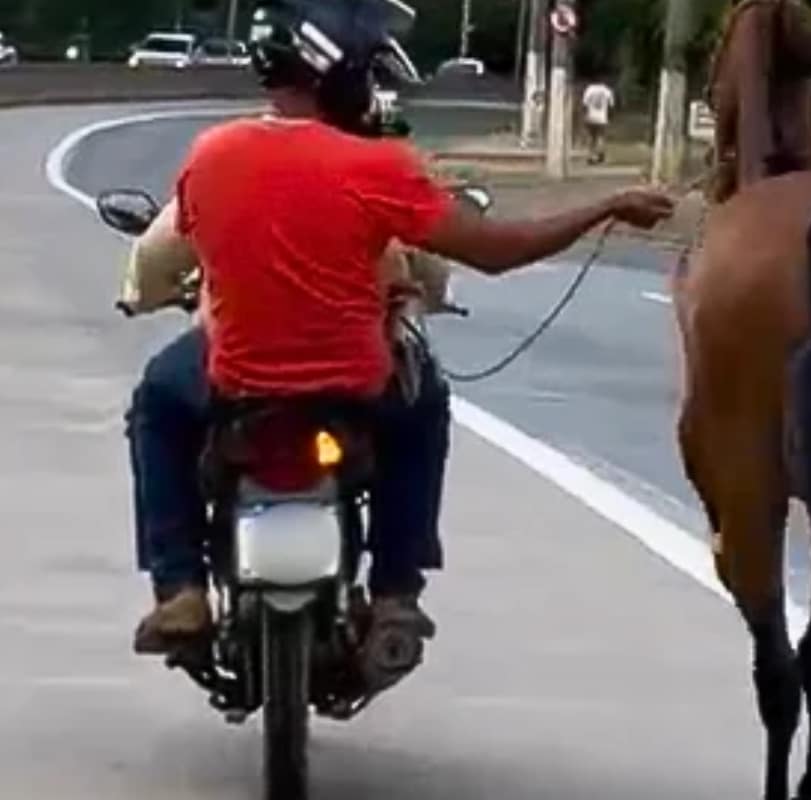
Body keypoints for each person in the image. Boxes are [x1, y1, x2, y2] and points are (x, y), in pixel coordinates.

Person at [124, 0, 674, 656]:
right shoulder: (380, 168)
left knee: (157, 403)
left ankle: (181, 587)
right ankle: (394, 592)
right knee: (427, 404)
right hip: (357, 386)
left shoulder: (213, 154)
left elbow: (176, 250)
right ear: (343, 74)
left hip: (234, 381)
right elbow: (496, 250)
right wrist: (605, 204)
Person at [581, 80, 616, 165]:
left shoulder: (589, 89)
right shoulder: (607, 91)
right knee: (601, 137)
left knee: (591, 137)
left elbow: (584, 104)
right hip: (602, 118)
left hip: (591, 117)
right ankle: (601, 156)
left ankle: (590, 157)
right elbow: (611, 106)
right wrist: (610, 117)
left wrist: (584, 116)